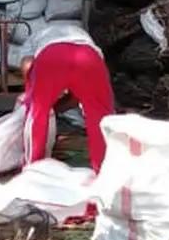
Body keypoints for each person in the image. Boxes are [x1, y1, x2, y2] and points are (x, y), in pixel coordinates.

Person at [21, 23, 114, 182]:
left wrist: (32, 91)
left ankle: (33, 170)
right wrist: (57, 108)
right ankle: (105, 173)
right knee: (100, 118)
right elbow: (78, 95)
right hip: (90, 58)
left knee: (37, 113)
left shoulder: (34, 38)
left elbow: (27, 64)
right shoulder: (84, 36)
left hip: (52, 56)